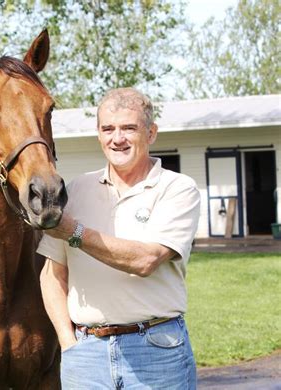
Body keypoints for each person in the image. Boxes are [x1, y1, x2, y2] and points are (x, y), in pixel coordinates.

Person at [37, 87, 200, 389]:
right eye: (107, 129)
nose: (117, 138)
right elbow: (52, 275)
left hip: (157, 350)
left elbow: (146, 260)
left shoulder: (177, 189)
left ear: (151, 133)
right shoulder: (76, 191)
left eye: (129, 128)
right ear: (98, 134)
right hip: (85, 355)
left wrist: (75, 232)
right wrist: (68, 341)